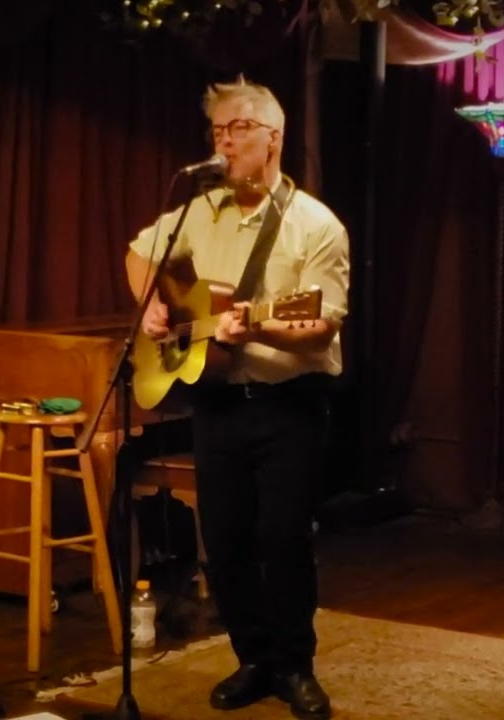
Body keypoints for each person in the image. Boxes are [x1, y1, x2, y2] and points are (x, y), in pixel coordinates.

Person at [124, 77, 349, 720]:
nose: (224, 143)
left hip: (288, 405)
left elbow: (322, 324)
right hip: (218, 402)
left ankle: (294, 665)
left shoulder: (315, 226)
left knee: (283, 537)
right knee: (222, 540)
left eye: (238, 129)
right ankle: (251, 657)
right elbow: (140, 254)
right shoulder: (198, 209)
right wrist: (158, 305)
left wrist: (260, 324)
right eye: (217, 132)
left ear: (273, 138)